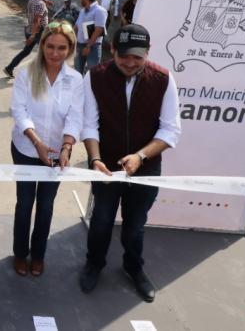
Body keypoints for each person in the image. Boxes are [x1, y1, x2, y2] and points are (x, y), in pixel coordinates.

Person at [78, 24, 181, 302]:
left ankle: (134, 267)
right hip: (106, 166)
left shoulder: (162, 78)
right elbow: (89, 124)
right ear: (113, 50)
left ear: (147, 53)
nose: (130, 62)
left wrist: (140, 156)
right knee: (101, 220)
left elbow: (170, 130)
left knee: (135, 225)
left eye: (138, 56)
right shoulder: (95, 76)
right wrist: (95, 158)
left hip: (146, 167)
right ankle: (94, 263)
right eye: (124, 56)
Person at [11, 21, 83, 277]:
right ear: (41, 45)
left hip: (57, 154)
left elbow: (75, 117)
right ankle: (20, 253)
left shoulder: (75, 80)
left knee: (46, 206)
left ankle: (38, 255)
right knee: (25, 203)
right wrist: (36, 142)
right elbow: (19, 111)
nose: (55, 53)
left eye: (62, 48)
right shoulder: (26, 74)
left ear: (70, 49)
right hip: (26, 150)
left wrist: (66, 147)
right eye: (50, 46)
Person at [4, 0, 53, 78]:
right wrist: (33, 35)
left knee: (26, 51)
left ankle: (9, 68)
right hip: (38, 31)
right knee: (46, 52)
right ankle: (40, 75)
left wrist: (46, 2)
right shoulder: (41, 4)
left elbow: (38, 6)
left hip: (29, 28)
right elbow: (36, 21)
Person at [74, 0, 107, 74]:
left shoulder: (99, 10)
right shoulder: (82, 10)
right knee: (77, 71)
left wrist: (88, 46)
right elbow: (77, 26)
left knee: (93, 72)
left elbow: (99, 29)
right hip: (80, 44)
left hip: (93, 46)